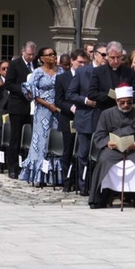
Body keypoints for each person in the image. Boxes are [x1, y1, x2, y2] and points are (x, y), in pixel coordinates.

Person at [88, 84, 135, 209]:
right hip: (114, 148)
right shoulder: (106, 114)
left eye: (129, 102)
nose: (126, 105)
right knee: (104, 161)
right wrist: (108, 142)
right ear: (117, 101)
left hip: (134, 149)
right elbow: (99, 134)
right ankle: (99, 199)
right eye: (122, 103)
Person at [19, 47, 63, 185]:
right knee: (41, 141)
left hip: (58, 111)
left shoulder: (61, 71)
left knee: (56, 140)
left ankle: (54, 176)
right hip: (43, 111)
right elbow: (31, 93)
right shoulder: (37, 73)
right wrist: (48, 105)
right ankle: (39, 175)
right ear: (42, 58)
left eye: (54, 54)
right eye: (49, 55)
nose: (53, 57)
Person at [67, 43, 106, 193]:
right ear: (94, 54)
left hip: (103, 117)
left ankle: (100, 186)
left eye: (107, 55)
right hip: (86, 117)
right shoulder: (83, 71)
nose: (105, 58)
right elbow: (70, 94)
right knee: (83, 154)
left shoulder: (109, 72)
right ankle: (83, 186)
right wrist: (85, 101)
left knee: (102, 154)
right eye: (103, 54)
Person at [55, 50, 88, 191]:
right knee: (68, 150)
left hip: (84, 118)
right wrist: (70, 108)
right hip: (68, 118)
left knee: (82, 151)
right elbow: (58, 100)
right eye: (80, 62)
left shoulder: (88, 75)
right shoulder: (62, 78)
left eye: (85, 63)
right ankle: (67, 181)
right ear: (72, 61)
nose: (82, 65)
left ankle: (81, 181)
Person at [5, 42, 37, 179]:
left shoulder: (36, 64)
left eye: (33, 54)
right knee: (16, 137)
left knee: (32, 137)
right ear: (23, 52)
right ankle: (13, 167)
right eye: (29, 54)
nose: (31, 57)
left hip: (33, 107)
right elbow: (9, 84)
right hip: (18, 105)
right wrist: (24, 91)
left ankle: (29, 165)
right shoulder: (15, 64)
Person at [88, 41, 135, 113]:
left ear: (122, 56)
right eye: (112, 57)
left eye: (118, 57)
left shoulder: (129, 72)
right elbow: (91, 94)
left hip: (125, 113)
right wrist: (109, 96)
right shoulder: (98, 72)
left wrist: (125, 98)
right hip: (104, 111)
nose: (115, 61)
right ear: (107, 56)